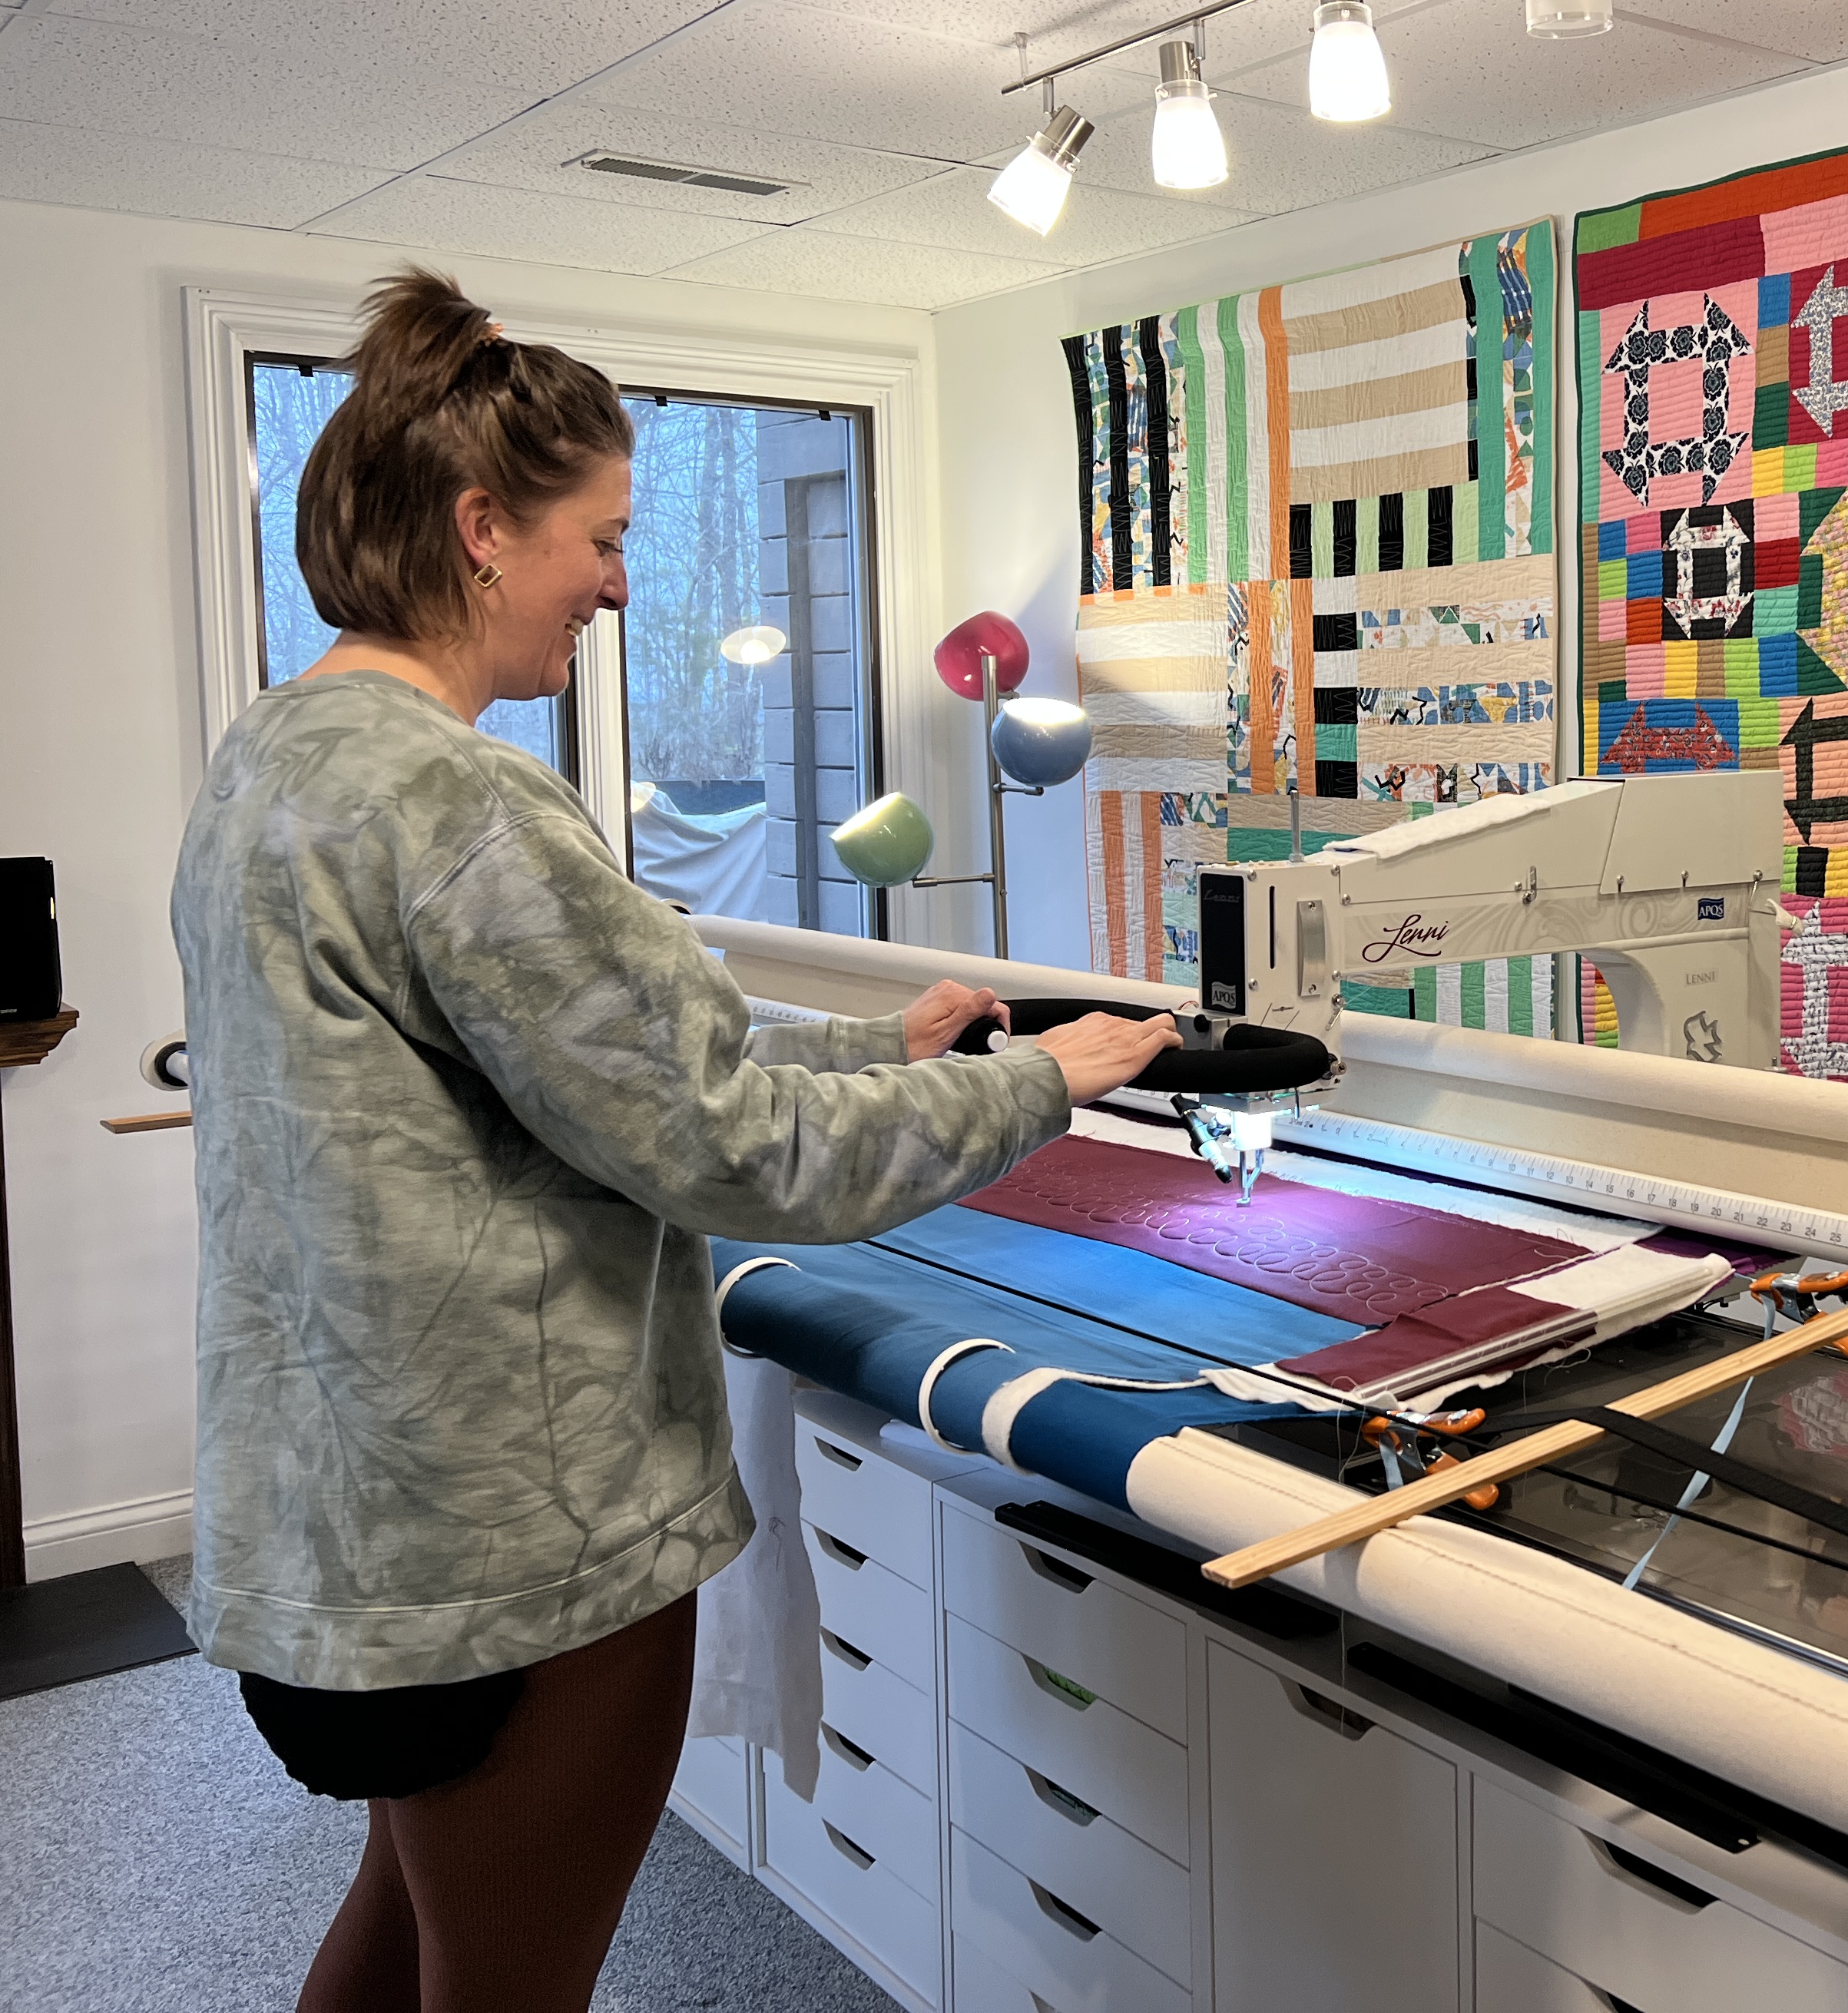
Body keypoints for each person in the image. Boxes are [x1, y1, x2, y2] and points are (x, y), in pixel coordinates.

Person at [169, 267, 1174, 2013]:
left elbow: (580, 1059)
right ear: (483, 530)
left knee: (405, 1930)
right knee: (508, 1980)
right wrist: (1047, 1081)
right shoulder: (465, 800)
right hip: (519, 1548)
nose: (623, 585)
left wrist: (881, 1044)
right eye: (606, 539)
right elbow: (739, 1155)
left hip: (349, 1524)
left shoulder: (273, 764)